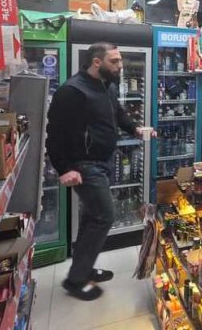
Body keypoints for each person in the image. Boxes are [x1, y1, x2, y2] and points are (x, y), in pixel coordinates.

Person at [46, 42, 151, 300]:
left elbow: (118, 114)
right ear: (96, 62)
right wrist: (64, 168)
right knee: (104, 216)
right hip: (84, 164)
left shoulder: (107, 86)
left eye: (120, 60)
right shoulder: (72, 91)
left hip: (104, 161)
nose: (120, 65)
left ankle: (84, 268)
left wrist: (135, 129)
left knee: (91, 217)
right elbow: (54, 133)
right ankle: (75, 280)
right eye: (114, 61)